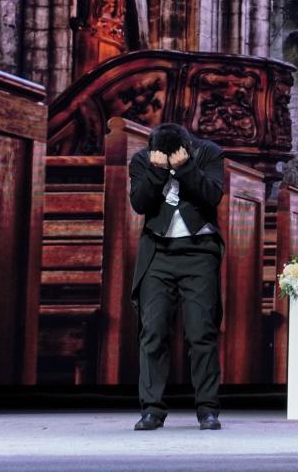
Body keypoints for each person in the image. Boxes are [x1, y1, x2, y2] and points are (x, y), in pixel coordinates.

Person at [128, 123, 226, 431]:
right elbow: (139, 203)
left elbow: (212, 196)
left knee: (201, 332)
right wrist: (157, 172)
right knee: (153, 330)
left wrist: (185, 168)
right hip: (158, 253)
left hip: (199, 252)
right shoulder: (142, 159)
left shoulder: (208, 153)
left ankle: (208, 409)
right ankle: (151, 410)